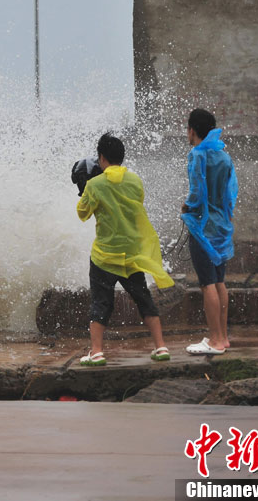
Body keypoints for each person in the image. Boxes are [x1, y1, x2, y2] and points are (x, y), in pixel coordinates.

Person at [76, 133, 174, 366]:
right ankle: (160, 347)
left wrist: (84, 190)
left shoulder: (95, 184)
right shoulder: (135, 181)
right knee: (143, 298)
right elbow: (135, 205)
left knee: (101, 303)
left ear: (101, 158)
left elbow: (82, 213)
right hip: (131, 255)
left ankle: (97, 352)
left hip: (105, 257)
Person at [182, 109, 238, 355]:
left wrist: (186, 206)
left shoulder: (197, 155)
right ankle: (223, 337)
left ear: (192, 130)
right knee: (219, 282)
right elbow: (230, 192)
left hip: (202, 227)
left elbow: (196, 193)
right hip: (221, 227)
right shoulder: (224, 157)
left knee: (207, 285)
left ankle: (214, 341)